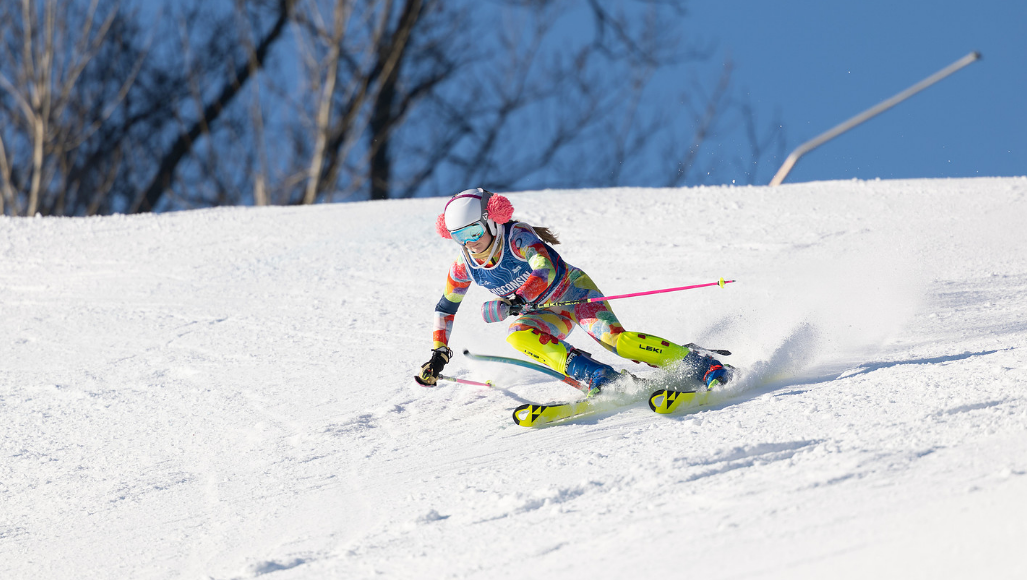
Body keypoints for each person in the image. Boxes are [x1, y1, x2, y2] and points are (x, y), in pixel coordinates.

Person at [415, 187, 728, 395]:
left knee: (618, 342)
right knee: (517, 334)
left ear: (492, 221)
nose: (469, 242)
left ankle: (702, 365)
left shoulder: (516, 237)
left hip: (574, 295)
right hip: (542, 313)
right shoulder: (464, 264)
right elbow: (446, 308)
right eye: (459, 236)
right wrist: (438, 354)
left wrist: (518, 299)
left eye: (473, 231)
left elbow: (544, 268)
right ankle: (599, 377)